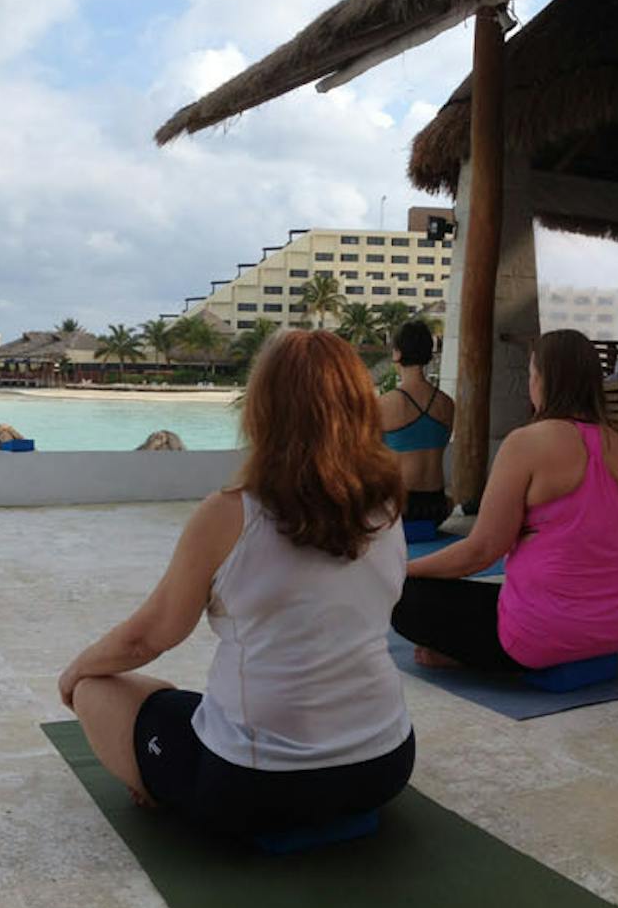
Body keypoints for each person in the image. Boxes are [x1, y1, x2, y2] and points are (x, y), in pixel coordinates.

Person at [57, 330, 414, 838]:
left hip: (254, 786)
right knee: (167, 697)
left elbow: (149, 637)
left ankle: (166, 784)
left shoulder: (231, 514)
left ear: (261, 410)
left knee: (99, 689)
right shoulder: (387, 504)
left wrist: (74, 674)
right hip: (383, 765)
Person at [393, 330, 618, 671]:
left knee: (407, 597)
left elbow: (482, 550)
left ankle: (471, 657)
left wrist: (403, 571)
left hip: (543, 631)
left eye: (531, 374)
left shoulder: (526, 442)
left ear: (543, 379)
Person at [380, 322, 455, 529]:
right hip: (438, 507)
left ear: (397, 353)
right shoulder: (447, 404)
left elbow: (369, 458)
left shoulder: (385, 404)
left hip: (401, 507)